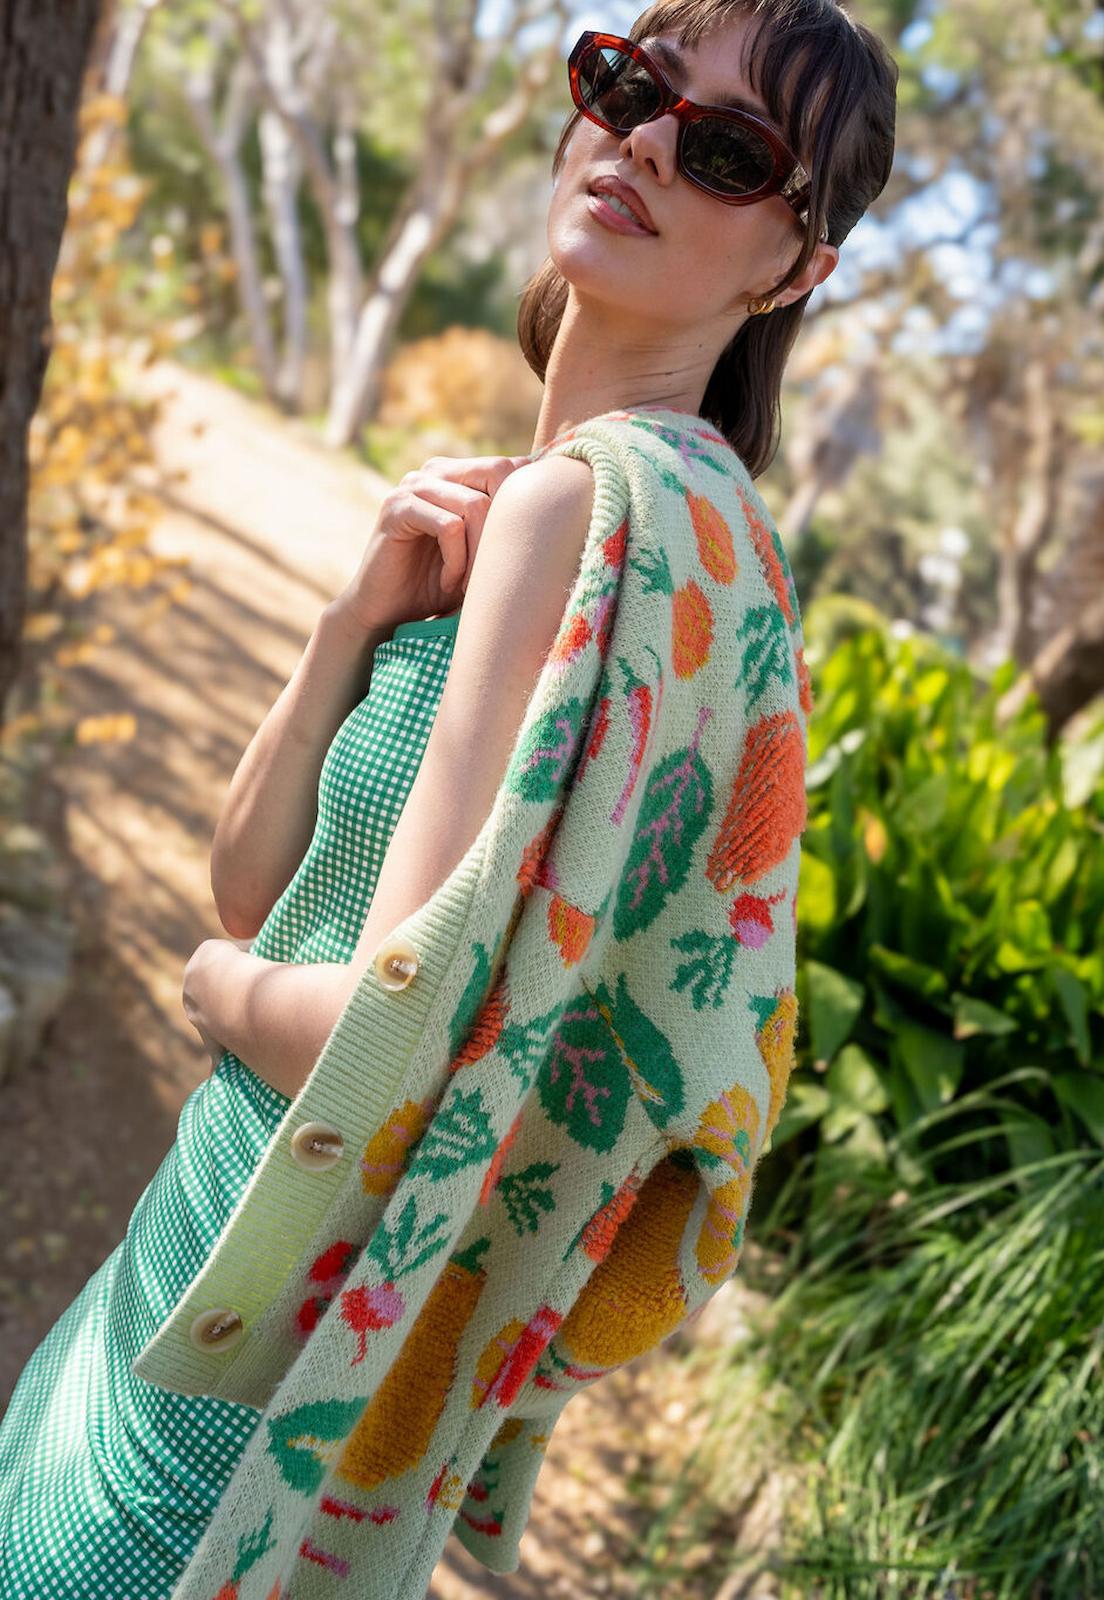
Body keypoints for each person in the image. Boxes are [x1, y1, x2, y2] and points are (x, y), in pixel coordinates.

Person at [0, 3, 897, 1595]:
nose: (640, 139)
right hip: (223, 1249)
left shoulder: (585, 517)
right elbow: (257, 893)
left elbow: (378, 1038)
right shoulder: (682, 550)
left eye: (729, 148)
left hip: (256, 1316)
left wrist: (209, 996)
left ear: (795, 266)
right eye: (628, 85)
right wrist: (354, 622)